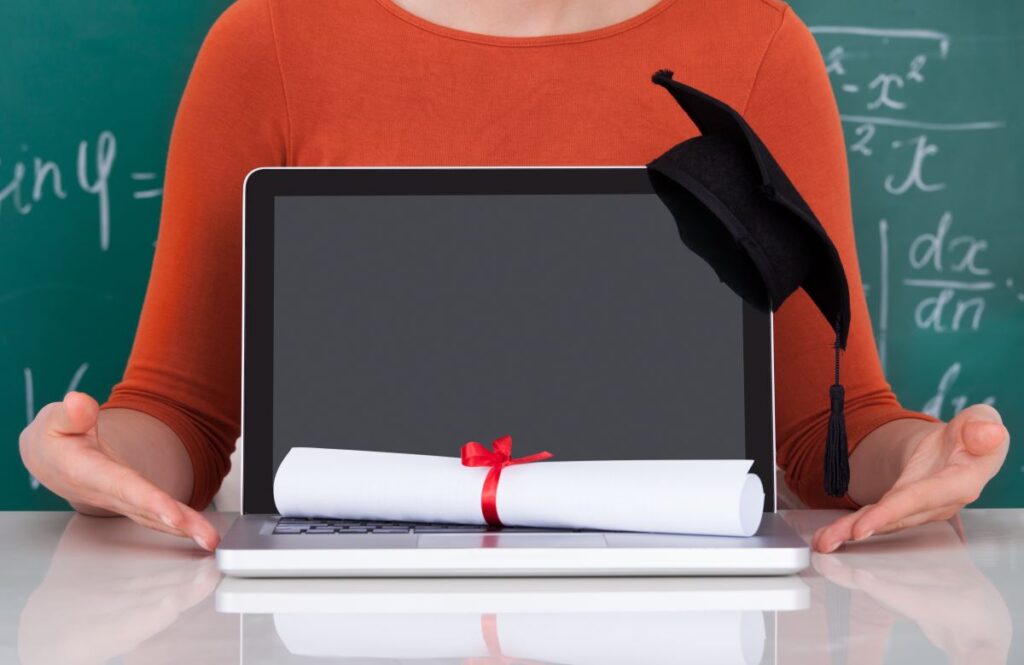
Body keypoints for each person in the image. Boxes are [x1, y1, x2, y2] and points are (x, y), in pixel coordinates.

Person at [18, 0, 1009, 553]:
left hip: (683, 606)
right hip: (341, 614)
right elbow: (182, 411)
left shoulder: (752, 46)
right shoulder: (271, 40)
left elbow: (822, 432)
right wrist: (101, 454)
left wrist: (914, 460)